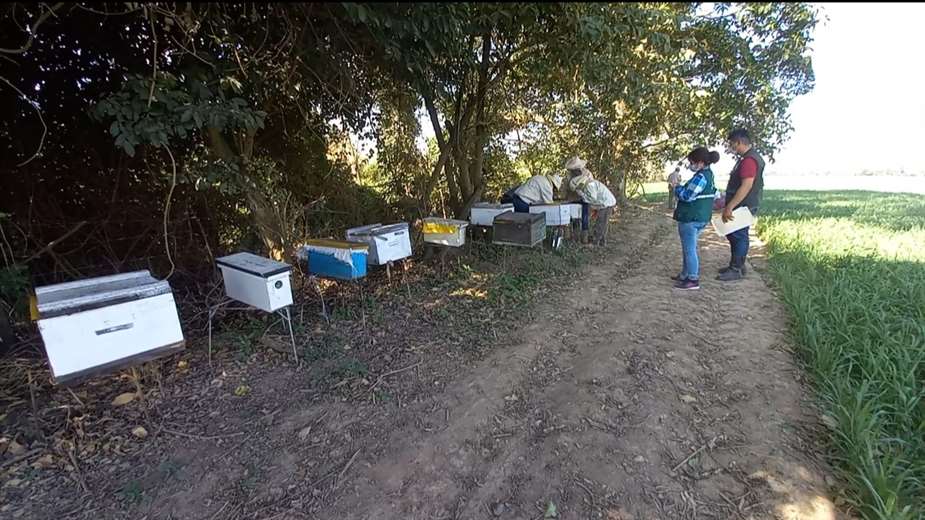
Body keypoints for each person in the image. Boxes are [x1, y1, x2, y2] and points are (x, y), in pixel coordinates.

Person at [717, 128, 765, 282]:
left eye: (733, 144)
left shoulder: (749, 161)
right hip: (744, 203)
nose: (732, 148)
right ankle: (736, 265)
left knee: (739, 235)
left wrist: (730, 206)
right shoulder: (749, 158)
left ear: (739, 142)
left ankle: (736, 268)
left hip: (742, 205)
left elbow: (746, 186)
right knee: (734, 234)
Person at [670, 147, 719, 290]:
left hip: (690, 218)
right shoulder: (709, 175)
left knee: (689, 249)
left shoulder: (700, 177)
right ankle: (685, 274)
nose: (690, 165)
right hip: (701, 217)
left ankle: (692, 278)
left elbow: (686, 196)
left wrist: (675, 186)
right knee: (688, 248)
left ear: (701, 162)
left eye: (692, 162)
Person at [571, 176, 616, 246]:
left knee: (601, 222)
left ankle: (596, 242)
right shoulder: (588, 185)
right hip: (603, 203)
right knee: (603, 222)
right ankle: (602, 242)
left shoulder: (590, 185)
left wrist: (583, 196)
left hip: (607, 203)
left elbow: (593, 199)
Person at [563, 156, 594, 243]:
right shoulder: (569, 175)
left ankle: (584, 238)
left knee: (585, 216)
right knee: (571, 216)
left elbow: (592, 187)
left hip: (585, 198)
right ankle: (572, 237)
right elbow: (566, 188)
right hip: (572, 198)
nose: (573, 171)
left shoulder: (587, 174)